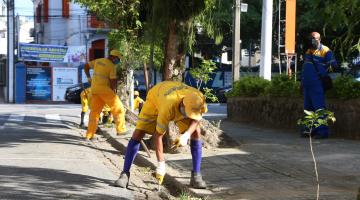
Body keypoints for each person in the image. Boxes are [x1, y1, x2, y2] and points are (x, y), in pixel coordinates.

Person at [114, 81, 208, 189]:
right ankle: (125, 174)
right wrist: (161, 164)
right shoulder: (167, 106)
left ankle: (196, 175)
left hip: (174, 95)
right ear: (183, 104)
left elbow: (197, 118)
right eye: (188, 113)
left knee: (196, 132)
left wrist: (186, 135)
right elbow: (158, 135)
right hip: (156, 97)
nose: (188, 116)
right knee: (139, 133)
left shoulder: (199, 98)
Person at [301, 32, 338, 139]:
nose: (311, 40)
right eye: (310, 38)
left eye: (314, 38)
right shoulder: (308, 51)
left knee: (319, 109)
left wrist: (322, 71)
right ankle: (309, 130)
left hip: (317, 84)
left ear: (319, 39)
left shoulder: (325, 50)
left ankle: (322, 132)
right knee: (308, 108)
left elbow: (334, 65)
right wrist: (302, 83)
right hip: (307, 85)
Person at [84, 50, 127, 140]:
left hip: (94, 89)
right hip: (104, 89)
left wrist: (88, 77)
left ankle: (89, 135)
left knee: (94, 113)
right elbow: (113, 81)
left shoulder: (98, 61)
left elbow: (86, 66)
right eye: (118, 59)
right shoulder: (111, 66)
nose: (118, 61)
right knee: (119, 108)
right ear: (114, 57)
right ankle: (121, 130)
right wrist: (113, 91)